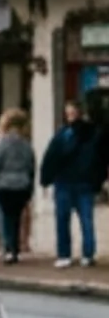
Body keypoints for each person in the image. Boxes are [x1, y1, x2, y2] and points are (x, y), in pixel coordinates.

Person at [45, 101, 102, 268]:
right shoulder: (66, 133)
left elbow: (52, 157)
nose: (70, 116)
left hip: (77, 182)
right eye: (67, 113)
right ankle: (75, 254)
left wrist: (46, 178)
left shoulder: (74, 133)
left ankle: (77, 254)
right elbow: (51, 157)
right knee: (74, 220)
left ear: (79, 113)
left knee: (79, 220)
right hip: (71, 182)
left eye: (72, 113)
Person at [0, 110, 37, 266]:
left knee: (4, 217)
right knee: (16, 218)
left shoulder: (2, 143)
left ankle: (7, 248)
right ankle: (15, 248)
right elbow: (31, 166)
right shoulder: (26, 145)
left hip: (3, 184)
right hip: (22, 184)